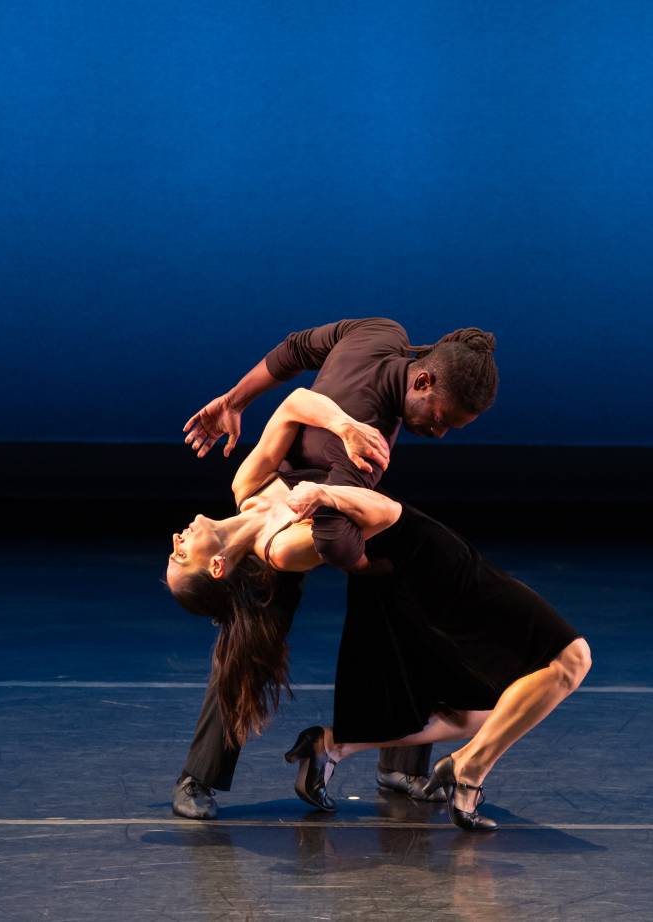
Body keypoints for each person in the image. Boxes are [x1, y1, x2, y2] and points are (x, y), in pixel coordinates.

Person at [167, 389, 592, 831]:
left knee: (466, 701)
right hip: (399, 555)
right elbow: (379, 518)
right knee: (509, 689)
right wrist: (329, 496)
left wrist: (343, 428)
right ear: (217, 566)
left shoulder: (247, 487)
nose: (176, 539)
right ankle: (207, 775)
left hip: (392, 558)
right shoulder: (283, 547)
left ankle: (362, 755)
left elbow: (294, 401)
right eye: (180, 555)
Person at [172, 318, 499, 820]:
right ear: (422, 381)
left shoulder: (379, 333)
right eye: (441, 419)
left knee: (407, 618)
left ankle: (401, 765)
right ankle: (200, 775)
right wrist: (367, 551)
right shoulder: (366, 446)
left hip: (307, 507)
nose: (438, 433)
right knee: (249, 637)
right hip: (318, 522)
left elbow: (295, 357)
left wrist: (236, 401)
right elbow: (334, 539)